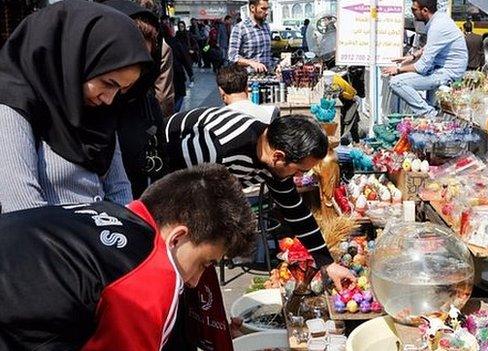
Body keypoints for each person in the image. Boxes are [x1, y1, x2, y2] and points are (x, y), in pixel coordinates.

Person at [0, 164, 256, 350]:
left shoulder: (115, 212)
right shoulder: (149, 277)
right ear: (177, 237)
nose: (195, 281)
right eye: (204, 264)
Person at [165, 113, 356, 289]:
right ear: (279, 157)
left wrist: (327, 263)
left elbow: (295, 210)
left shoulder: (273, 158)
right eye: (301, 170)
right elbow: (173, 192)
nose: (300, 176)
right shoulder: (220, 147)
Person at [0, 0, 152, 213]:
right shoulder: (13, 108)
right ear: (76, 61)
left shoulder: (99, 110)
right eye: (108, 83)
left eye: (121, 90)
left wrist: (124, 235)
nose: (109, 99)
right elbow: (24, 210)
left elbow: (119, 188)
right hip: (49, 244)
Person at [102, 0, 171, 199]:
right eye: (125, 59)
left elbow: (160, 162)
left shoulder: (145, 103)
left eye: (143, 63)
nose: (132, 73)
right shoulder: (84, 105)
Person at [383, 0, 467, 117]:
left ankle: (430, 114)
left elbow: (422, 67)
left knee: (396, 83)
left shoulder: (437, 26)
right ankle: (433, 113)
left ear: (425, 10)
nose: (412, 12)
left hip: (446, 73)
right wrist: (413, 56)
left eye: (414, 9)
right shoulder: (440, 20)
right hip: (440, 69)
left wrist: (398, 69)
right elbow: (434, 44)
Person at [228, 0, 272, 72]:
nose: (267, 12)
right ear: (252, 8)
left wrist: (279, 64)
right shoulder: (240, 28)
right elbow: (232, 57)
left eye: (267, 9)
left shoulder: (266, 26)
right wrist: (251, 63)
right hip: (248, 79)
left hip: (267, 78)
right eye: (263, 9)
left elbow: (268, 55)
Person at [164, 20, 194, 113]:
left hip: (164, 75)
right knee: (179, 94)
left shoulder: (158, 42)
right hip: (176, 72)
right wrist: (190, 74)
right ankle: (173, 113)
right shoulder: (175, 41)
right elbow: (184, 59)